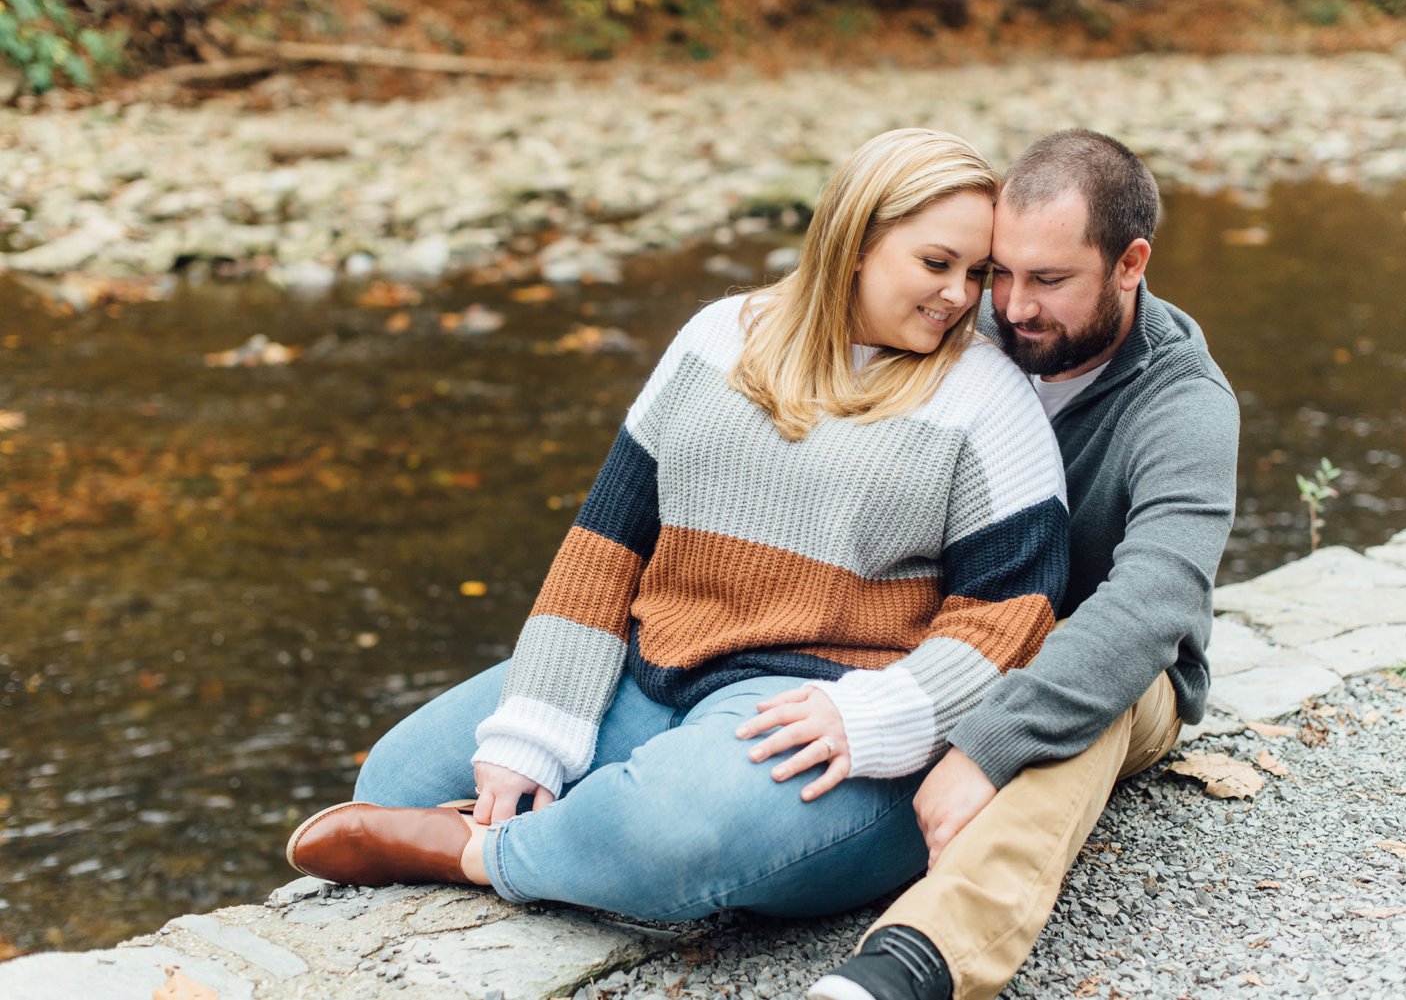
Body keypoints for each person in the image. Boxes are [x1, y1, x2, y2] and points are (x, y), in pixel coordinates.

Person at [285, 128, 1071, 924]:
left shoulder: (986, 397)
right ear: (855, 242)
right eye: (937, 264)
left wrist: (883, 712)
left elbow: (1016, 614)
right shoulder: (718, 339)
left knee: (669, 829)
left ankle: (475, 852)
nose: (961, 296)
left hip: (828, 709)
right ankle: (579, 843)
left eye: (978, 273)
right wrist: (534, 726)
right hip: (655, 661)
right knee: (399, 778)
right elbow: (606, 546)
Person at [810, 129, 1240, 1000]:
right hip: (956, 630)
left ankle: (916, 961)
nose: (1010, 305)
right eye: (1000, 272)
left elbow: (1153, 605)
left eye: (1049, 280)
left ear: (1130, 264)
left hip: (1112, 667)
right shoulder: (969, 329)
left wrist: (986, 745)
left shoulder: (1186, 406)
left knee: (1103, 673)